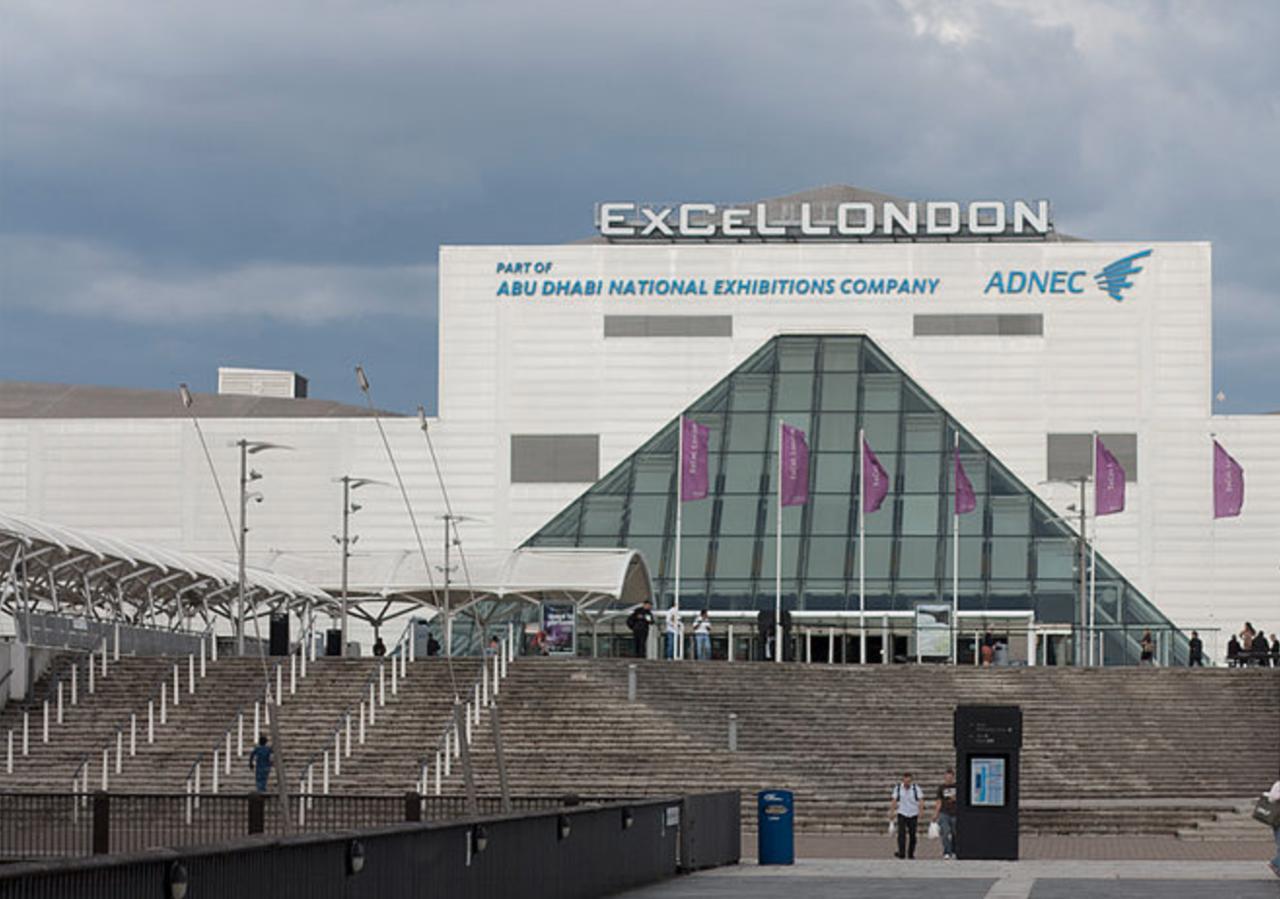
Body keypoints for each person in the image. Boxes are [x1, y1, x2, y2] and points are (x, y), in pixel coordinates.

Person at [890, 772, 922, 859]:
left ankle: (911, 853)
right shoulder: (898, 788)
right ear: (903, 780)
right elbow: (894, 800)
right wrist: (892, 812)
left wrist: (921, 811)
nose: (907, 783)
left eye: (909, 781)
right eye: (906, 781)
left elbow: (920, 800)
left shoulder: (916, 788)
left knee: (912, 835)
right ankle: (902, 853)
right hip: (902, 813)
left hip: (913, 813)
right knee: (901, 834)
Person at [933, 768, 958, 860]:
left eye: (950, 777)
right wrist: (936, 813)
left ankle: (954, 850)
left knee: (955, 833)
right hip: (944, 813)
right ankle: (947, 851)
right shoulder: (941, 788)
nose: (949, 779)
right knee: (945, 832)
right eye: (947, 777)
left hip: (955, 813)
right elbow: (939, 801)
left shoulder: (957, 787)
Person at [1268, 778, 1280, 878]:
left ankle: (1276, 864)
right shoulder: (1278, 784)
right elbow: (1271, 798)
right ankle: (1275, 863)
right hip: (1278, 820)